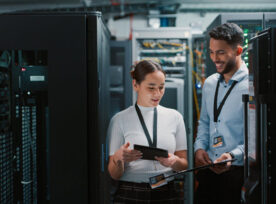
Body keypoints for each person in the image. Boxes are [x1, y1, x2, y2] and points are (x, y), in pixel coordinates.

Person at [107, 60, 188, 204]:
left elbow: (184, 164)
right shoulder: (119, 120)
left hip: (166, 190)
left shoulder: (175, 117)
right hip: (131, 192)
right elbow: (114, 174)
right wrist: (119, 158)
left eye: (161, 87)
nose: (157, 94)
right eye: (151, 88)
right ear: (135, 85)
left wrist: (173, 162)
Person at [194, 22, 248, 204]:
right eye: (211, 51)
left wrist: (233, 155)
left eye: (221, 52)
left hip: (237, 174)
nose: (214, 58)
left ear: (238, 51)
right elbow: (204, 122)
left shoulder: (252, 86)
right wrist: (199, 148)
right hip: (208, 171)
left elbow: (257, 139)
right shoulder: (210, 84)